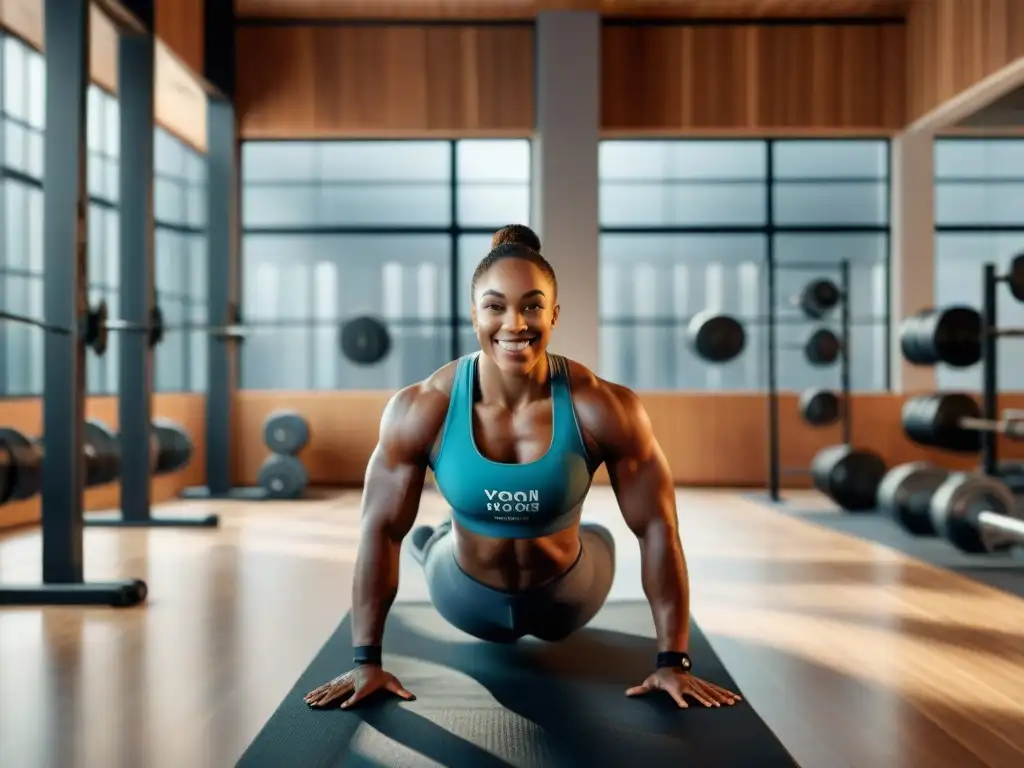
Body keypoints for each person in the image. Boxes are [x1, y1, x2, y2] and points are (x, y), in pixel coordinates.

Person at [304, 225, 742, 712]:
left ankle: (454, 531)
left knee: (601, 538)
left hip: (570, 597)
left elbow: (659, 527)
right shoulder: (422, 407)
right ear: (475, 314)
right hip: (461, 597)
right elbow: (380, 530)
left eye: (532, 306)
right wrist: (366, 660)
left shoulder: (603, 407)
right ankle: (439, 542)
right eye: (495, 306)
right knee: (432, 541)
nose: (515, 324)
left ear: (554, 314)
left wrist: (673, 662)